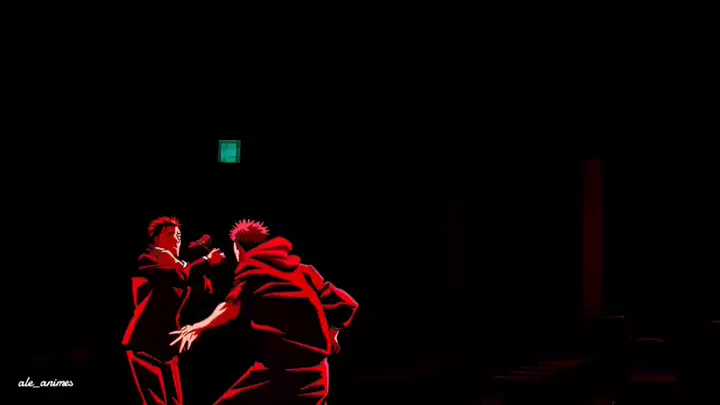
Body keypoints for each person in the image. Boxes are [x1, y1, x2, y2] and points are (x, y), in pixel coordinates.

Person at [170, 219, 359, 405]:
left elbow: (230, 307)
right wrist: (333, 332)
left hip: (279, 375)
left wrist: (198, 327)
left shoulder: (253, 272)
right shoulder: (305, 271)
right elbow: (346, 304)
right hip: (317, 376)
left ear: (238, 248)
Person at [123, 217, 225, 405]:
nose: (177, 240)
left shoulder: (180, 265)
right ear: (155, 239)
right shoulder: (149, 259)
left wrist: (201, 265)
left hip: (167, 346)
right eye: (170, 234)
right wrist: (204, 261)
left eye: (179, 236)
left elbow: (204, 287)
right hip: (144, 344)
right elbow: (175, 275)